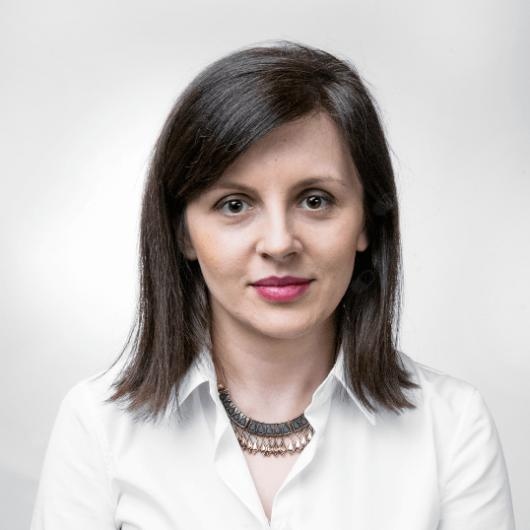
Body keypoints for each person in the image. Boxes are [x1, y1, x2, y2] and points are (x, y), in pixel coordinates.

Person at [30, 40, 516, 530]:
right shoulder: (98, 426)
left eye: (315, 200)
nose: (280, 243)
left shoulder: (451, 426)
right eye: (235, 205)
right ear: (183, 233)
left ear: (366, 221)